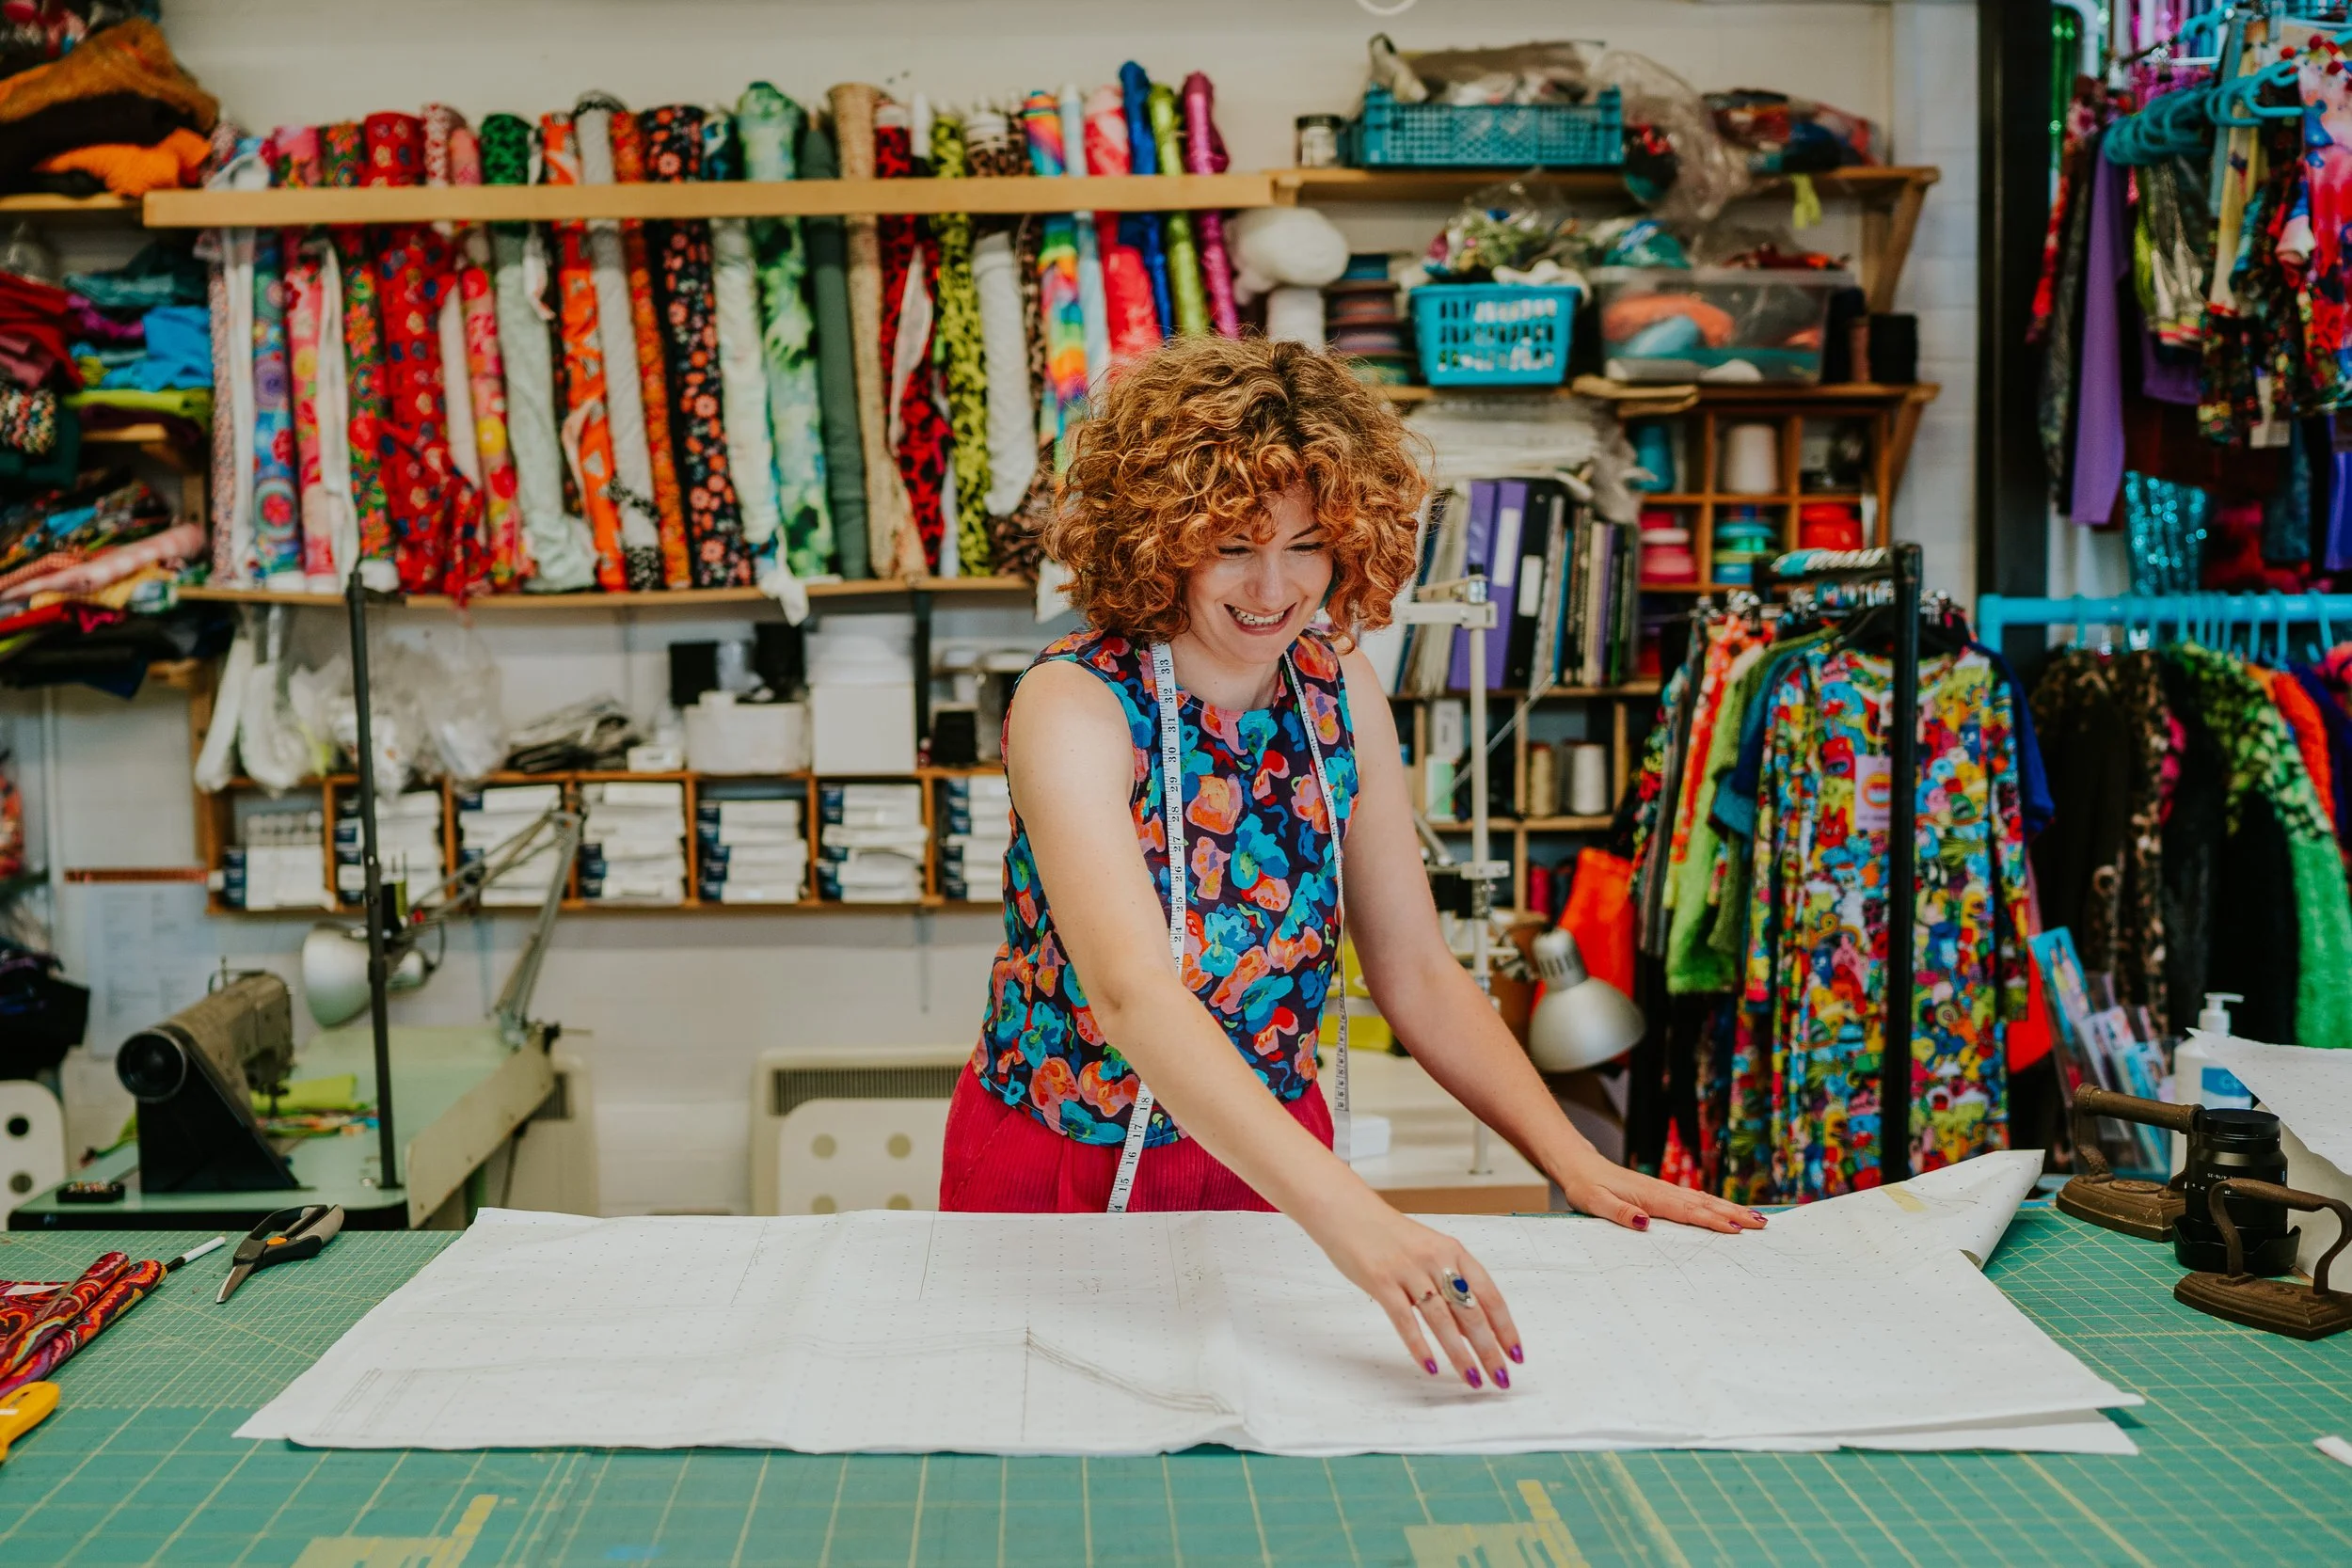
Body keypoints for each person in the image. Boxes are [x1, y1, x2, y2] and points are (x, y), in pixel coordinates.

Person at [939, 336, 1762, 1391]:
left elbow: (1415, 969)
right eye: (1233, 543)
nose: (1272, 584)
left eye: (1308, 543)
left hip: (1275, 1160)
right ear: (1161, 534)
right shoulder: (1074, 704)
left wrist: (1572, 1157)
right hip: (1062, 1160)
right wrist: (1355, 1217)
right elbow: (1134, 995)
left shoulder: (1338, 688)